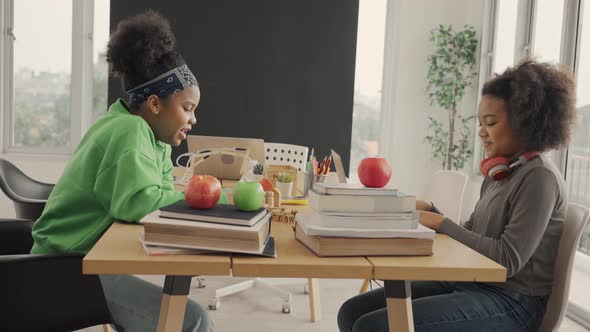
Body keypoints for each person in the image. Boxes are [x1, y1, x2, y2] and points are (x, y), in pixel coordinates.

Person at [338, 59, 576, 332]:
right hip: (472, 282)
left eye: (491, 122)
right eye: (481, 122)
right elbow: (471, 233)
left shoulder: (539, 178)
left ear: (526, 122)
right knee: (351, 311)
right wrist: (434, 212)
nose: (481, 132)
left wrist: (441, 224)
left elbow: (507, 260)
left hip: (513, 301)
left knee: (373, 327)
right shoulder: (500, 173)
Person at [31, 10, 211, 332]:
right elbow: (137, 203)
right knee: (192, 320)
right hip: (68, 269)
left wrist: (181, 189)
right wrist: (202, 198)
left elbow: (159, 183)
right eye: (187, 108)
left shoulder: (138, 129)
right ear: (155, 105)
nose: (193, 119)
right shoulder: (129, 132)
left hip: (77, 259)